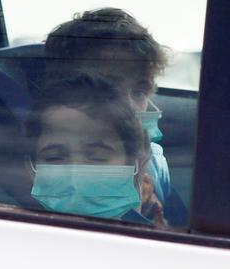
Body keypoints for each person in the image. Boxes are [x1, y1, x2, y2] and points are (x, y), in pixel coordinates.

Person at [44, 8, 173, 212]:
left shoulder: (154, 158)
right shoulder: (60, 165)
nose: (129, 105)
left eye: (140, 91)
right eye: (109, 89)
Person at [26, 74, 165, 225]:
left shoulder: (155, 228)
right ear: (31, 169)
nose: (76, 176)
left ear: (135, 164)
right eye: (54, 158)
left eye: (97, 157)